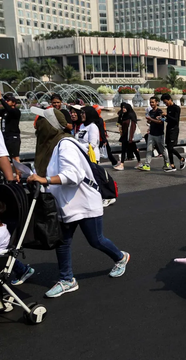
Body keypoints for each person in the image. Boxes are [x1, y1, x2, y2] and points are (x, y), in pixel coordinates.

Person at [26, 107, 130, 298]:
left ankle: (121, 257)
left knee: (96, 240)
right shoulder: (51, 147)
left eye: (40, 120)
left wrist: (45, 180)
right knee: (63, 243)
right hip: (66, 204)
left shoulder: (65, 144)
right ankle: (67, 280)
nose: (37, 125)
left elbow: (73, 175)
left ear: (49, 125)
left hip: (84, 203)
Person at [0, 201, 35, 286]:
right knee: (7, 256)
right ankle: (23, 270)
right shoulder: (4, 228)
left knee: (6, 256)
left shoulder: (1, 232)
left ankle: (23, 270)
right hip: (4, 254)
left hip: (2, 256)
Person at [139, 97, 172, 172]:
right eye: (150, 102)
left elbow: (160, 122)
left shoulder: (159, 111)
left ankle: (167, 163)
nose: (151, 104)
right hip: (152, 133)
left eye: (153, 102)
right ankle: (147, 164)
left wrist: (151, 119)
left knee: (162, 149)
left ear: (157, 102)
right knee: (149, 149)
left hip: (159, 134)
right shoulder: (150, 112)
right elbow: (151, 122)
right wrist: (149, 122)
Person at [160, 94, 186, 171]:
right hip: (168, 128)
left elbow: (175, 120)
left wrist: (167, 115)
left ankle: (182, 158)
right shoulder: (168, 108)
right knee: (168, 147)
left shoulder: (176, 108)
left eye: (166, 102)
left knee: (171, 147)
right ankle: (172, 165)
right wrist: (163, 118)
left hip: (174, 130)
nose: (165, 104)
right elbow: (169, 120)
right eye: (164, 103)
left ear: (170, 99)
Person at [113, 103, 142, 171]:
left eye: (125, 107)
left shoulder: (131, 115)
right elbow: (120, 122)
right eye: (122, 107)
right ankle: (122, 164)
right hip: (125, 135)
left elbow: (133, 127)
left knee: (134, 149)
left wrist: (130, 138)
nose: (123, 109)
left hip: (130, 135)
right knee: (124, 149)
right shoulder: (123, 115)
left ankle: (139, 162)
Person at [0, 91, 21, 174]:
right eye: (6, 100)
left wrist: (1, 99)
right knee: (7, 157)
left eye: (8, 100)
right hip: (5, 137)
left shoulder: (15, 111)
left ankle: (19, 176)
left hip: (13, 137)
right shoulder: (4, 111)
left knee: (15, 157)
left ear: (13, 103)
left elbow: (10, 110)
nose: (6, 102)